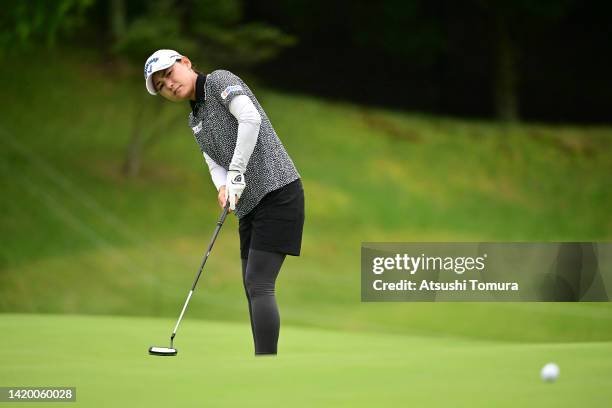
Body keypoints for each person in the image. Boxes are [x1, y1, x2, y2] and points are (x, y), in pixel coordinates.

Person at [144, 49, 305, 355]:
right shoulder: (195, 118)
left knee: (259, 283)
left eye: (169, 74)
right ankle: (262, 359)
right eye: (162, 85)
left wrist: (236, 172)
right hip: (250, 205)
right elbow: (212, 161)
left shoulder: (220, 81)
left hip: (279, 191)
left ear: (186, 63)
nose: (170, 85)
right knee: (251, 286)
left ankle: (266, 364)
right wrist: (222, 186)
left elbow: (249, 118)